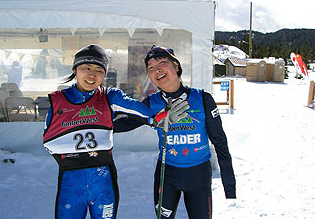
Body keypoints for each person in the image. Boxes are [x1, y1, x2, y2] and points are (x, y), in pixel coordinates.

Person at [42, 44, 189, 219]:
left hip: (103, 180)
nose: (92, 74)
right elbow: (49, 140)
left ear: (104, 74)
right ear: (75, 70)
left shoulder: (108, 96)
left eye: (99, 70)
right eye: (86, 68)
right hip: (71, 181)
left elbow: (136, 108)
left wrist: (157, 118)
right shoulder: (57, 100)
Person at [114, 45, 236, 219]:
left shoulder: (202, 98)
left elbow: (220, 142)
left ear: (176, 66)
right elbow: (124, 123)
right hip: (167, 174)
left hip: (199, 175)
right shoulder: (152, 103)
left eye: (162, 62)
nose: (157, 70)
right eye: (151, 68)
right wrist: (95, 123)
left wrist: (229, 185)